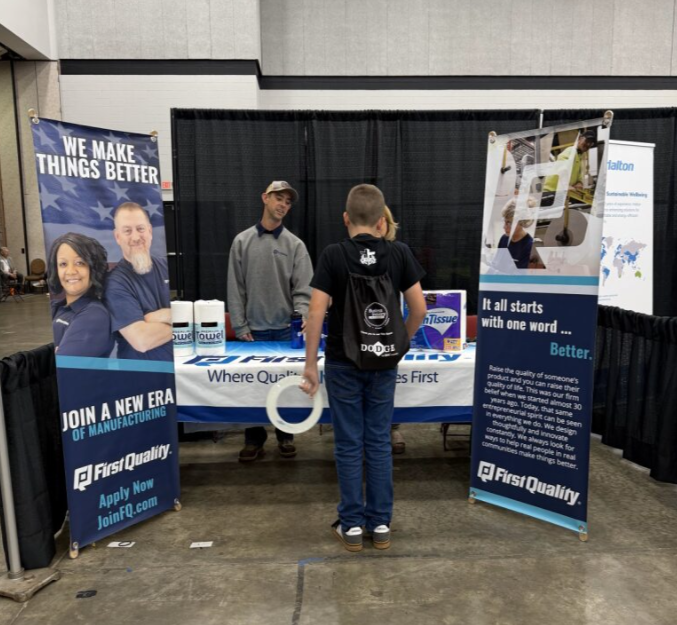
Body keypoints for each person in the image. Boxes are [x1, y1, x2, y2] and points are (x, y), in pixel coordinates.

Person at [301, 184, 426, 552]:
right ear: (382, 221)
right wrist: (397, 344)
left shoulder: (333, 255)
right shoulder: (400, 253)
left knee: (349, 443)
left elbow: (316, 312)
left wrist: (310, 365)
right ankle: (381, 524)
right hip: (383, 362)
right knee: (379, 442)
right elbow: (418, 309)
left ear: (346, 219)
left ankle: (352, 526)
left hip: (343, 361)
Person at [227, 181, 313, 462]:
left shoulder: (295, 245)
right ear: (265, 198)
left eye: (288, 202)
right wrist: (240, 325)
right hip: (254, 332)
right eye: (279, 198)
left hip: (286, 333)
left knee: (285, 388)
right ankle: (254, 439)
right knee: (253, 389)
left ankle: (285, 435)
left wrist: (298, 320)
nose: (283, 205)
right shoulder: (242, 241)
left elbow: (304, 289)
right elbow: (235, 287)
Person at [104, 202, 173, 361]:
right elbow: (142, 341)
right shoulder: (115, 283)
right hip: (142, 376)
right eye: (127, 231)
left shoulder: (167, 267)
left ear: (149, 231)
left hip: (178, 369)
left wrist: (158, 317)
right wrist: (183, 320)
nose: (135, 237)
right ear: (117, 237)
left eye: (140, 229)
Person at [47, 233, 114, 358]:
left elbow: (61, 369)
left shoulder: (94, 316)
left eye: (80, 263)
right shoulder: (56, 307)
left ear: (93, 268)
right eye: (63, 264)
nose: (71, 271)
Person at [382, 206, 405, 455]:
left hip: (390, 333)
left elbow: (417, 306)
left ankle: (393, 427)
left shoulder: (398, 253)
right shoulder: (351, 254)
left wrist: (403, 339)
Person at [542, 130, 597, 203]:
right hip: (550, 192)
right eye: (587, 141)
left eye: (591, 143)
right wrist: (565, 185)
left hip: (559, 193)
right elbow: (561, 169)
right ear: (580, 139)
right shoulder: (570, 151)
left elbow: (579, 175)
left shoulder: (579, 157)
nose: (588, 144)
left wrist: (579, 182)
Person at [498, 199, 534, 269]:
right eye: (504, 222)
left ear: (521, 222)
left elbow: (520, 277)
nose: (504, 227)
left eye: (509, 223)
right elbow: (497, 264)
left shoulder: (529, 246)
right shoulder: (504, 239)